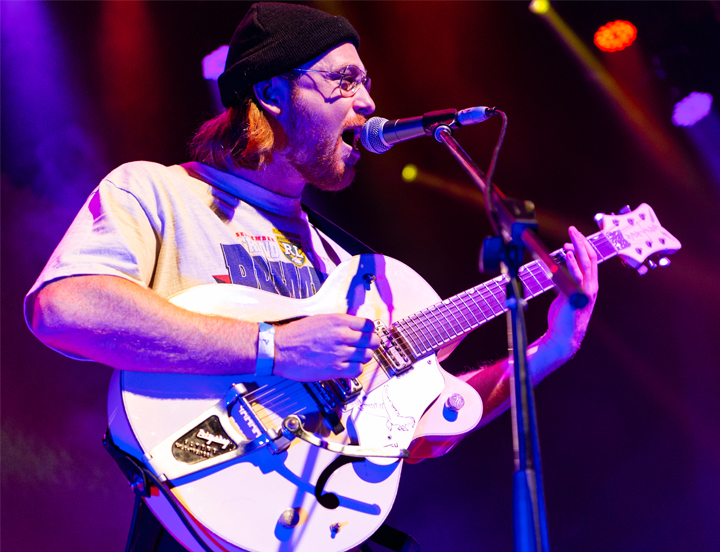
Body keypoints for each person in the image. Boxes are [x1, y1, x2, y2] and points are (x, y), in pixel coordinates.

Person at [24, 3, 598, 551]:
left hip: (311, 522)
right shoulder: (160, 191)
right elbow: (64, 309)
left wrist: (552, 347)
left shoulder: (343, 264)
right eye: (344, 81)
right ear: (273, 94)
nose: (368, 103)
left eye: (366, 83)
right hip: (201, 502)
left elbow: (423, 433)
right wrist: (275, 347)